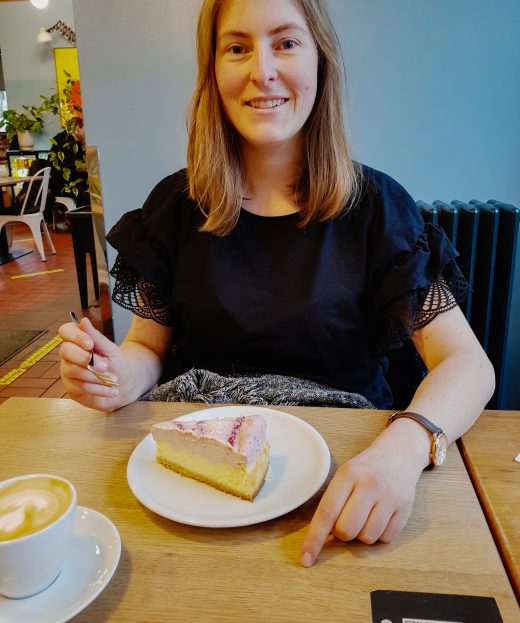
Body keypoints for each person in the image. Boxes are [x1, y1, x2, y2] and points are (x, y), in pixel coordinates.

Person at [58, 0, 495, 567]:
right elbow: (147, 349)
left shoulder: (380, 209)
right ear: (213, 72)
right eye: (237, 47)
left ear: (320, 62)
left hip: (344, 481)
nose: (262, 70)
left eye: (286, 43)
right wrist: (117, 376)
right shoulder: (174, 205)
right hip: (199, 487)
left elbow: (469, 366)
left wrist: (405, 447)